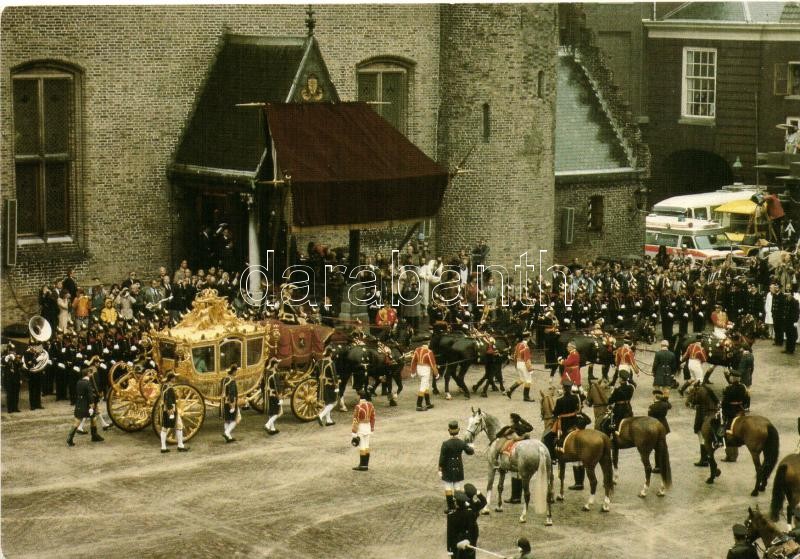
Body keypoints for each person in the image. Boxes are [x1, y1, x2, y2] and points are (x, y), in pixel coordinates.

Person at [544, 379, 585, 490]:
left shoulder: (560, 400)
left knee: (547, 438)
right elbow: (578, 409)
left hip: (565, 424)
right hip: (575, 422)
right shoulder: (575, 397)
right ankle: (580, 481)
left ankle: (552, 458)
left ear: (563, 388)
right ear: (570, 388)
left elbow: (556, 412)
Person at [495, 413, 534, 504]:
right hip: (526, 449)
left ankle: (515, 497)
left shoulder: (511, 428)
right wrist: (521, 420)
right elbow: (531, 427)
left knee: (514, 473)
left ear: (512, 419)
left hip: (514, 451)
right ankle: (517, 497)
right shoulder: (523, 427)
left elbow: (498, 435)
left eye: (511, 418)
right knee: (519, 475)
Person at [439, 420, 475, 511]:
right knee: (457, 487)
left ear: (449, 430)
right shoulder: (461, 443)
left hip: (448, 468)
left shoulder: (446, 444)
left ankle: (451, 507)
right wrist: (470, 445)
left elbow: (442, 458)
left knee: (448, 487)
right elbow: (470, 452)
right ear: (458, 430)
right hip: (458, 467)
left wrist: (440, 469)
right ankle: (460, 504)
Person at [67, 367, 104, 446]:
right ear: (88, 374)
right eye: (91, 373)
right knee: (93, 418)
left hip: (79, 403)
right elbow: (90, 396)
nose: (92, 374)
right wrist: (91, 406)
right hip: (86, 404)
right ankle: (94, 435)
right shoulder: (87, 383)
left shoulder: (79, 382)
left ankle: (70, 437)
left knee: (78, 420)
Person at [159, 372, 188, 453]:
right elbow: (168, 400)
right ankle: (180, 446)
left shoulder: (164, 386)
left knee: (164, 428)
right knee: (179, 425)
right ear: (171, 378)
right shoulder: (169, 388)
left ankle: (163, 447)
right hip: (171, 410)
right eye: (174, 378)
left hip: (164, 409)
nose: (175, 379)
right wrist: (171, 410)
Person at [351, 389, 375, 471]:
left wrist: (354, 431)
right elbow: (373, 418)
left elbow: (356, 419)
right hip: (368, 427)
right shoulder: (371, 405)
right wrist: (372, 428)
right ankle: (366, 464)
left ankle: (362, 465)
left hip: (361, 427)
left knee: (362, 446)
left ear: (359, 397)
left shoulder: (358, 407)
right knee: (367, 445)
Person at [411, 343, 438, 411]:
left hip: (419, 368)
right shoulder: (429, 352)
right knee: (423, 387)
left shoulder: (417, 350)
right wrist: (436, 373)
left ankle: (428, 403)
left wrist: (413, 372)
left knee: (426, 385)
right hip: (425, 369)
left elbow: (413, 361)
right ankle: (419, 405)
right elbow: (433, 364)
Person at [506, 335, 534, 401]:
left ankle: (510, 390)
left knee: (522, 379)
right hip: (524, 364)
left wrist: (516, 364)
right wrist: (530, 367)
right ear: (528, 338)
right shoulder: (526, 347)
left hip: (518, 364)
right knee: (528, 381)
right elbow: (527, 359)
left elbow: (515, 356)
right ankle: (526, 397)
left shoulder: (518, 345)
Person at [446, 491, 473, 558]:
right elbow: (471, 529)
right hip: (466, 541)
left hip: (455, 542)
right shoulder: (469, 514)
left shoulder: (451, 516)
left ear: (456, 503)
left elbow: (449, 533)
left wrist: (449, 548)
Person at [608, 370, 634, 436]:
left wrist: (611, 393)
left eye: (619, 377)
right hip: (628, 408)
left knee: (613, 424)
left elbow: (610, 401)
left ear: (621, 379)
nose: (618, 379)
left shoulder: (617, 389)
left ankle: (614, 436)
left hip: (619, 410)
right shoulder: (631, 388)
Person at [316, 349, 338, 427]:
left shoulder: (318, 362)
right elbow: (334, 376)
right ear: (330, 354)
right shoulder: (330, 363)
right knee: (334, 402)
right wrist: (336, 386)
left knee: (327, 403)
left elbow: (316, 375)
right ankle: (321, 415)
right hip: (329, 385)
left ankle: (328, 420)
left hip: (321, 385)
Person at [220, 365, 239, 442]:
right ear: (234, 371)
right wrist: (232, 405)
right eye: (236, 371)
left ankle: (228, 437)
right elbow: (232, 394)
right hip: (230, 403)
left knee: (227, 420)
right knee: (236, 419)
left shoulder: (224, 379)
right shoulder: (232, 381)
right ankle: (227, 432)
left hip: (223, 402)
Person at [2, 345, 22, 413]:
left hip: (16, 378)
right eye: (11, 351)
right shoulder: (5, 357)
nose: (13, 352)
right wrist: (7, 358)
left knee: (16, 393)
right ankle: (10, 408)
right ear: (8, 351)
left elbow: (20, 365)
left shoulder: (16, 357)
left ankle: (15, 407)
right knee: (10, 394)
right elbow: (3, 362)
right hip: (9, 378)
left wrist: (16, 359)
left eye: (13, 351)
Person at [264, 370, 283, 435]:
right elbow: (278, 388)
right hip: (275, 395)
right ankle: (267, 424)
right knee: (278, 412)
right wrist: (280, 399)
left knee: (271, 412)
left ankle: (272, 428)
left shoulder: (268, 375)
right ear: (275, 365)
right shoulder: (274, 375)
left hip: (270, 395)